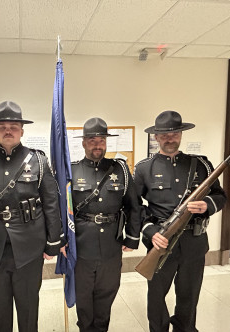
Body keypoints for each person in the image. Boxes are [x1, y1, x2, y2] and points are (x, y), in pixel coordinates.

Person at [0, 101, 64, 332]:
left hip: (29, 245)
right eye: (2, 126)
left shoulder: (38, 160)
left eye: (13, 126)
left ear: (22, 131)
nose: (8, 130)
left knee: (28, 309)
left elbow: (51, 203)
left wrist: (53, 242)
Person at [133, 111, 227, 332]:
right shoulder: (144, 167)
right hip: (160, 242)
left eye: (174, 133)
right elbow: (134, 207)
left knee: (189, 296)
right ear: (156, 137)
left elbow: (220, 195)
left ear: (181, 135)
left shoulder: (201, 164)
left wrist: (207, 206)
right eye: (163, 134)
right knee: (156, 297)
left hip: (194, 242)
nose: (169, 138)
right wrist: (150, 231)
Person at [71, 118, 141, 332]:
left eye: (101, 140)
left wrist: (132, 237)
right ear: (84, 143)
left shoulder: (119, 170)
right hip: (82, 244)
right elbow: (62, 211)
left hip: (112, 242)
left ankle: (101, 328)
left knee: (107, 292)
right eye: (92, 140)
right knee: (83, 294)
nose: (97, 144)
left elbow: (133, 205)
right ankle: (85, 327)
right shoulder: (71, 170)